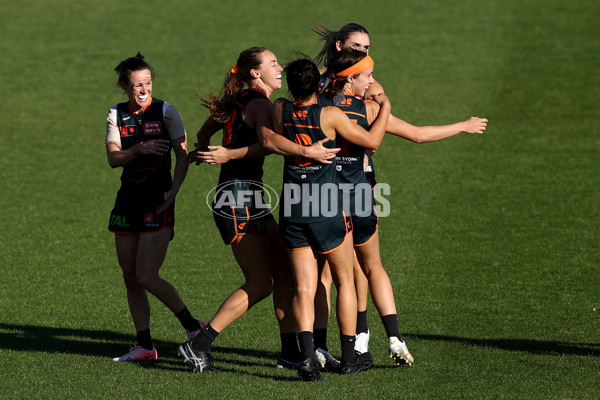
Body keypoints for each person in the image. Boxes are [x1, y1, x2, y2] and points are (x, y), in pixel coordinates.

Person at [313, 23, 488, 361]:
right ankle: (364, 339)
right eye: (358, 47)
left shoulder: (329, 89)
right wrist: (461, 126)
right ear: (339, 47)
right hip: (355, 185)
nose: (365, 55)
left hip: (325, 190)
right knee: (354, 265)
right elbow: (406, 133)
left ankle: (345, 339)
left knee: (345, 268)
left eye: (367, 48)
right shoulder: (361, 92)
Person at [179, 47, 339, 373]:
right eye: (273, 63)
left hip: (251, 199)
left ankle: (289, 352)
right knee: (260, 283)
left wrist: (205, 145)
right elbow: (267, 143)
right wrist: (305, 150)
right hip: (235, 200)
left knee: (284, 272)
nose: (279, 68)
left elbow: (211, 124)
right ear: (255, 73)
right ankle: (197, 344)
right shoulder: (260, 104)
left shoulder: (240, 99)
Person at [272, 57, 391, 381]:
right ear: (317, 86)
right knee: (345, 281)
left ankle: (308, 357)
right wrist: (385, 110)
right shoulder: (330, 115)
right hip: (326, 208)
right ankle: (350, 356)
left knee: (305, 288)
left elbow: (267, 138)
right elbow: (373, 142)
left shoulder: (279, 109)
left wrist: (301, 151)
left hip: (293, 209)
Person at [105, 53, 204, 362]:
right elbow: (112, 158)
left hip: (158, 204)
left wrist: (173, 192)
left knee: (147, 274)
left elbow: (183, 155)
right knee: (130, 277)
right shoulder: (116, 114)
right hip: (127, 203)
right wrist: (138, 148)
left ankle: (194, 327)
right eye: (137, 85)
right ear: (124, 85)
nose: (144, 89)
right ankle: (145, 346)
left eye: (148, 82)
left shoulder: (166, 112)